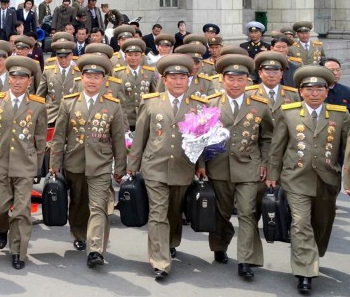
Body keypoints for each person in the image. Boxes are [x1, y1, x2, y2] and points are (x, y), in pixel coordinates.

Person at [266, 65, 350, 294]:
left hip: (327, 179)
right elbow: (277, 146)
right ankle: (305, 272)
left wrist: (347, 179)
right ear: (301, 91)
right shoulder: (289, 112)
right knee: (301, 223)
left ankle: (314, 252)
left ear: (327, 91)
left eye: (319, 89)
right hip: (296, 178)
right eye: (309, 89)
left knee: (322, 223)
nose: (314, 93)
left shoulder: (340, 114)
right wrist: (272, 174)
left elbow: (347, 149)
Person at [127, 54, 208, 281]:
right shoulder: (151, 102)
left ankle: (171, 243)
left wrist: (201, 165)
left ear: (188, 79)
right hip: (155, 166)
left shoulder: (198, 106)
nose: (178, 81)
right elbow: (141, 135)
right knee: (158, 213)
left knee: (174, 211)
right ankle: (160, 260)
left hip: (183, 167)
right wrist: (132, 165)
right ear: (164, 78)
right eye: (173, 77)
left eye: (183, 77)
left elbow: (200, 139)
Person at [49, 54, 126, 267]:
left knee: (99, 207)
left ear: (104, 80)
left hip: (101, 164)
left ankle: (95, 250)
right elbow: (58, 137)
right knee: (78, 203)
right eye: (88, 76)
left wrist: (121, 167)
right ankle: (78, 233)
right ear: (81, 78)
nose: (92, 81)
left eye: (97, 76)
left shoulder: (113, 106)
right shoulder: (69, 103)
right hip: (75, 163)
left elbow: (119, 139)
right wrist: (54, 164)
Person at [0, 55, 47, 270]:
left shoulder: (37, 106)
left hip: (24, 166)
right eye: (13, 77)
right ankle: (1, 228)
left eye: (22, 78)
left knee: (23, 211)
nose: (16, 82)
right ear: (8, 79)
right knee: (0, 208)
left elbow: (40, 139)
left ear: (29, 81)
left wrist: (37, 166)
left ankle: (18, 251)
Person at [203, 55, 271, 279]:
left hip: (248, 166)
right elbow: (199, 137)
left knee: (247, 212)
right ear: (222, 79)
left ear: (248, 81)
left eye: (240, 79)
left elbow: (267, 137)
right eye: (230, 78)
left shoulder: (260, 106)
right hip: (218, 167)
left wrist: (265, 162)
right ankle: (220, 246)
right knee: (221, 213)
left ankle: (246, 260)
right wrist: (201, 165)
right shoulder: (211, 103)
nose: (235, 83)